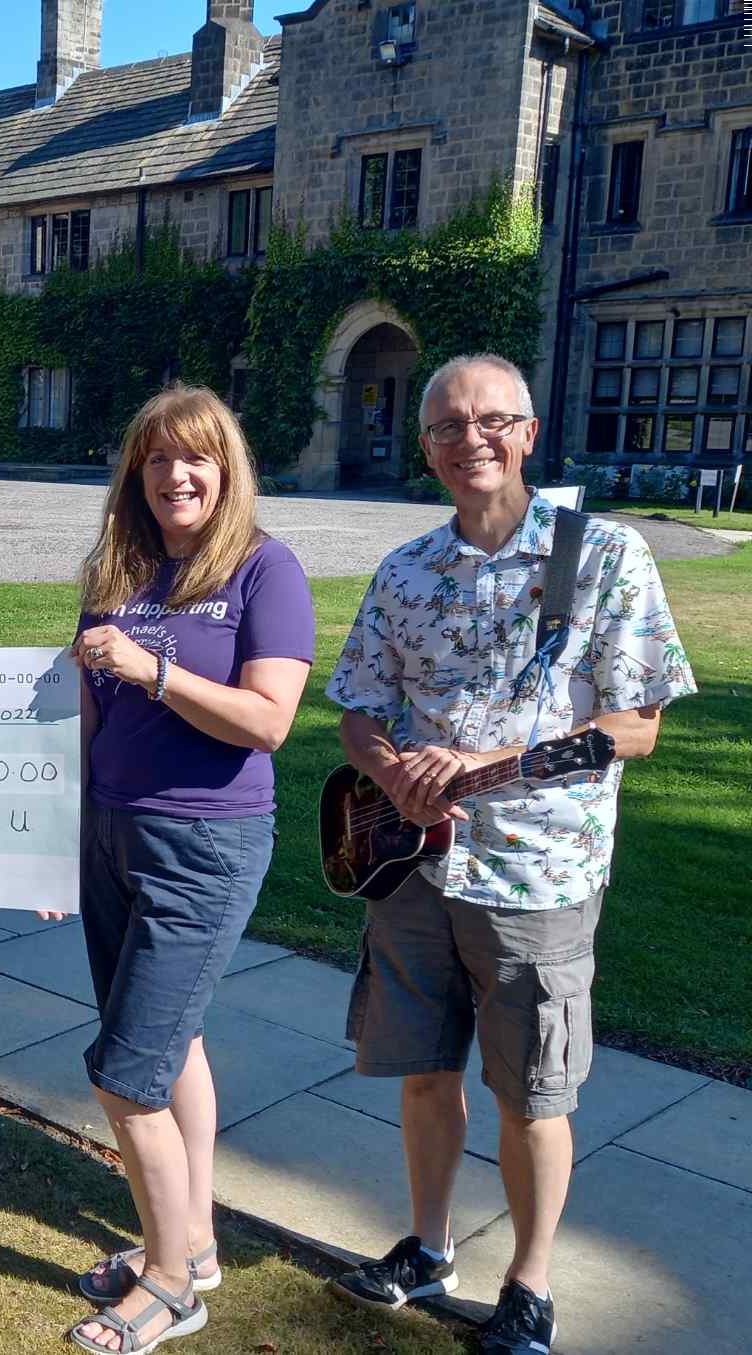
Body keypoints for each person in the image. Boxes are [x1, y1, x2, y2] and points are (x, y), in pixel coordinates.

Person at [324, 354, 694, 1354]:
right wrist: (389, 765)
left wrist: (492, 759)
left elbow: (637, 726)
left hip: (539, 874)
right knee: (421, 1070)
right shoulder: (405, 569)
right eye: (446, 425)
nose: (469, 439)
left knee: (531, 1092)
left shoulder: (600, 556)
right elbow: (359, 704)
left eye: (491, 420)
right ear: (426, 444)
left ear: (528, 430)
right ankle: (430, 1243)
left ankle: (529, 1282)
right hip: (413, 866)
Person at [58, 384, 315, 1353]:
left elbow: (269, 720)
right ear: (136, 473)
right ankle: (194, 1239)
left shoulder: (264, 569)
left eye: (195, 457)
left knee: (125, 1072)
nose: (176, 475)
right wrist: (51, 834)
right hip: (110, 831)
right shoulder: (116, 567)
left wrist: (152, 669)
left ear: (226, 468)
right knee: (177, 1043)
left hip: (206, 843)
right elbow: (83, 712)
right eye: (157, 459)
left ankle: (170, 1283)